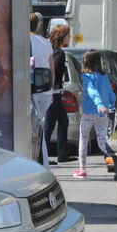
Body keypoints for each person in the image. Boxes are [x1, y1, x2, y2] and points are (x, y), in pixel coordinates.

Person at [73, 49, 116, 180]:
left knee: (83, 140)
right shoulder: (104, 77)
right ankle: (115, 169)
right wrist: (111, 104)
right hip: (102, 115)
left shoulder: (86, 77)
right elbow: (110, 93)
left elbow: (92, 91)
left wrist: (99, 105)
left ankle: (82, 169)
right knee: (103, 143)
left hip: (89, 113)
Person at [30, 12, 54, 165]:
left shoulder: (24, 39)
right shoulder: (46, 42)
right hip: (45, 90)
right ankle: (44, 161)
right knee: (40, 127)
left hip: (31, 89)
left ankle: (39, 162)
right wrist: (51, 90)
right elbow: (51, 68)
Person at [45, 24, 71, 163]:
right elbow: (52, 71)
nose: (70, 37)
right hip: (53, 93)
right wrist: (50, 92)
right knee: (49, 125)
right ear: (62, 36)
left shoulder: (51, 50)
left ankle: (62, 155)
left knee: (62, 121)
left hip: (53, 93)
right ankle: (42, 156)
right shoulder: (59, 53)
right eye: (68, 34)